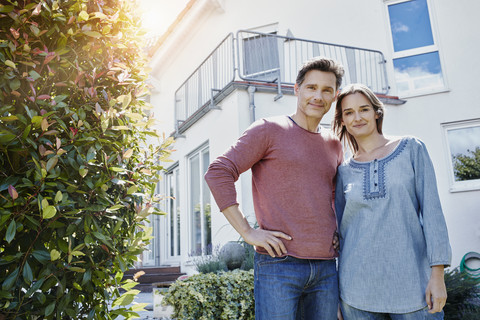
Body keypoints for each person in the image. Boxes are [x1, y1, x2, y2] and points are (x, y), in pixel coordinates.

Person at [204, 56, 345, 320]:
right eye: (311, 88)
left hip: (327, 268)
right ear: (297, 89)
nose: (318, 96)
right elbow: (219, 172)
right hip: (279, 264)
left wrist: (338, 230)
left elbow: (334, 197)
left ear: (335, 95)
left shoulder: (334, 144)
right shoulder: (268, 130)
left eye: (327, 90)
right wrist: (247, 231)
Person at [332, 83, 452, 320]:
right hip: (357, 294)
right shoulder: (343, 170)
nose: (357, 117)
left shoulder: (411, 148)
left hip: (414, 289)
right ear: (342, 121)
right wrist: (336, 294)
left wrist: (437, 276)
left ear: (377, 112)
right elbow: (339, 233)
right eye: (348, 112)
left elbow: (433, 213)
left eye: (364, 109)